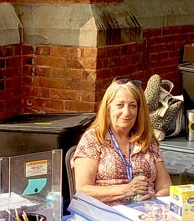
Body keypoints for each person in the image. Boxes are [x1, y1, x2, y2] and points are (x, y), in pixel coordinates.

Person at [71, 77, 172, 206]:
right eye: (120, 105)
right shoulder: (93, 139)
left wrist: (155, 198)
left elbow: (167, 187)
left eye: (132, 106)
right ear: (108, 108)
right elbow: (83, 191)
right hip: (104, 216)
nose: (126, 112)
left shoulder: (147, 140)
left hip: (144, 213)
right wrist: (125, 190)